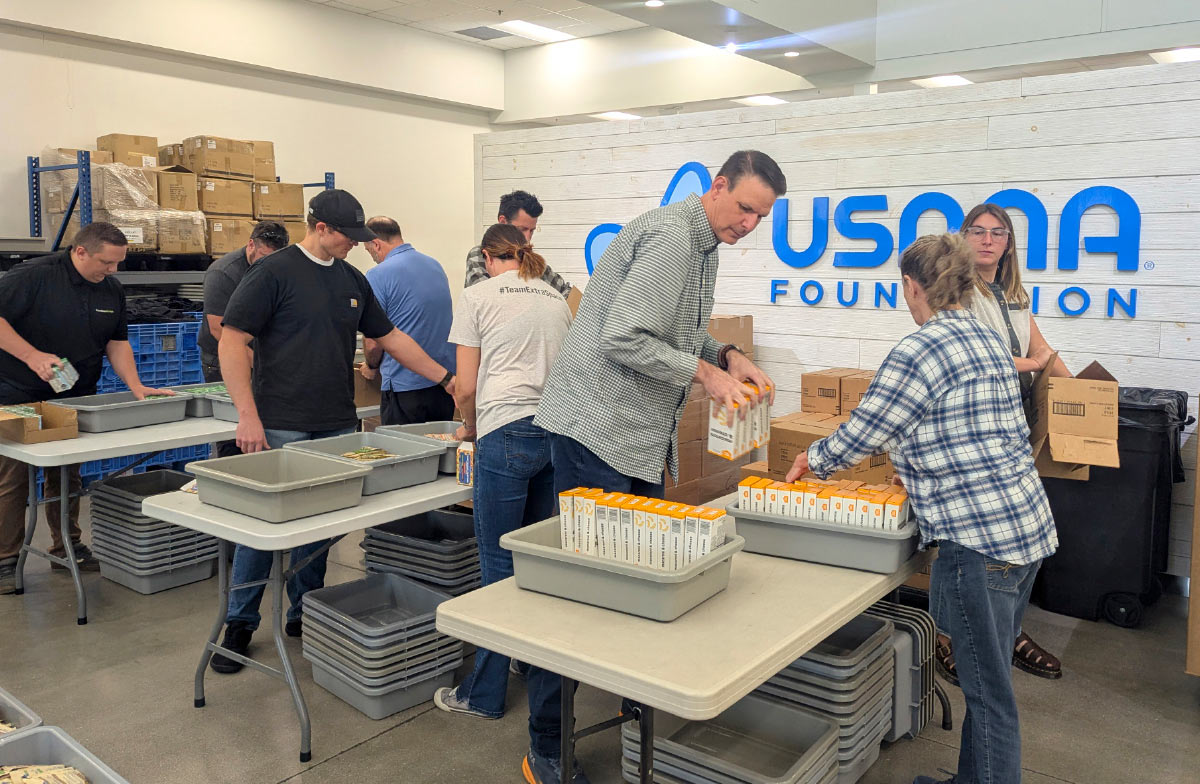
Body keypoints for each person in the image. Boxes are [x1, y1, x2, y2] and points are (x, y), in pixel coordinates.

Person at [527, 150, 784, 783]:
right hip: (598, 430)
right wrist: (706, 375)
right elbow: (622, 336)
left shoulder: (705, 243)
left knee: (640, 576)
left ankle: (630, 697)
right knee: (584, 593)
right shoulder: (673, 238)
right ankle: (547, 744)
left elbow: (674, 330)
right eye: (745, 208)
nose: (750, 224)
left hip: (636, 438)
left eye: (762, 216)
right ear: (717, 187)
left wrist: (726, 354)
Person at [785, 233, 1057, 784]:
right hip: (1025, 528)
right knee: (990, 682)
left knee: (988, 696)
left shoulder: (920, 348)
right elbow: (984, 430)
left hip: (979, 545)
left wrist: (811, 459)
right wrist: (917, 466)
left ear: (912, 286)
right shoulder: (986, 338)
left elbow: (868, 428)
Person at [208, 190, 457, 674]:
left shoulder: (352, 279)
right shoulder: (273, 273)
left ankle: (305, 611)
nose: (355, 244)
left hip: (337, 425)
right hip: (279, 424)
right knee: (262, 531)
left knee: (320, 528)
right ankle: (239, 622)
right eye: (347, 236)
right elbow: (232, 340)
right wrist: (247, 415)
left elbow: (391, 338)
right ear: (320, 227)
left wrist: (445, 377)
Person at [431, 224, 571, 738]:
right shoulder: (556, 299)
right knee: (529, 560)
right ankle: (526, 661)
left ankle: (484, 694)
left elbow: (466, 385)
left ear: (488, 258)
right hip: (554, 433)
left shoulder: (478, 296)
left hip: (504, 431)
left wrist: (468, 425)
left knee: (496, 564)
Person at [922, 203, 1069, 684]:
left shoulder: (1015, 297)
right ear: (963, 238)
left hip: (1012, 426)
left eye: (998, 233)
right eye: (978, 231)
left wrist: (1082, 393)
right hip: (970, 426)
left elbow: (1042, 351)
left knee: (1015, 542)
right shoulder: (958, 293)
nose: (987, 240)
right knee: (961, 538)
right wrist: (1033, 364)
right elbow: (976, 359)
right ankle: (945, 636)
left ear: (1009, 244)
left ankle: (1008, 631)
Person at [0, 223, 173, 593]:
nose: (112, 270)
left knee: (67, 473)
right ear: (80, 252)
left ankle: (67, 545)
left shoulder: (110, 288)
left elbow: (117, 342)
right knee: (13, 476)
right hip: (18, 391)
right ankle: (5, 559)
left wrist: (136, 385)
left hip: (74, 394)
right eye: (106, 262)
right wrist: (31, 356)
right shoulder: (33, 276)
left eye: (117, 264)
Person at [198, 220, 290, 458]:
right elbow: (219, 330)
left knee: (265, 426)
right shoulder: (223, 273)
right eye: (263, 257)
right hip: (223, 358)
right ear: (251, 245)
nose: (268, 265)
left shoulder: (280, 269)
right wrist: (263, 367)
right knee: (235, 428)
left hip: (262, 355)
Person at [359, 216, 456, 426]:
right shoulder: (434, 265)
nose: (373, 257)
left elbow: (373, 341)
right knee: (440, 445)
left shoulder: (377, 275)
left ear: (376, 244)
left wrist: (371, 366)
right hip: (443, 383)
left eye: (368, 251)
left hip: (405, 387)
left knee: (402, 447)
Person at [464, 190, 573, 298]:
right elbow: (484, 300)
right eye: (522, 229)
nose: (527, 238)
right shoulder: (479, 255)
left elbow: (567, 292)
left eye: (532, 231)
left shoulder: (530, 258)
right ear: (503, 222)